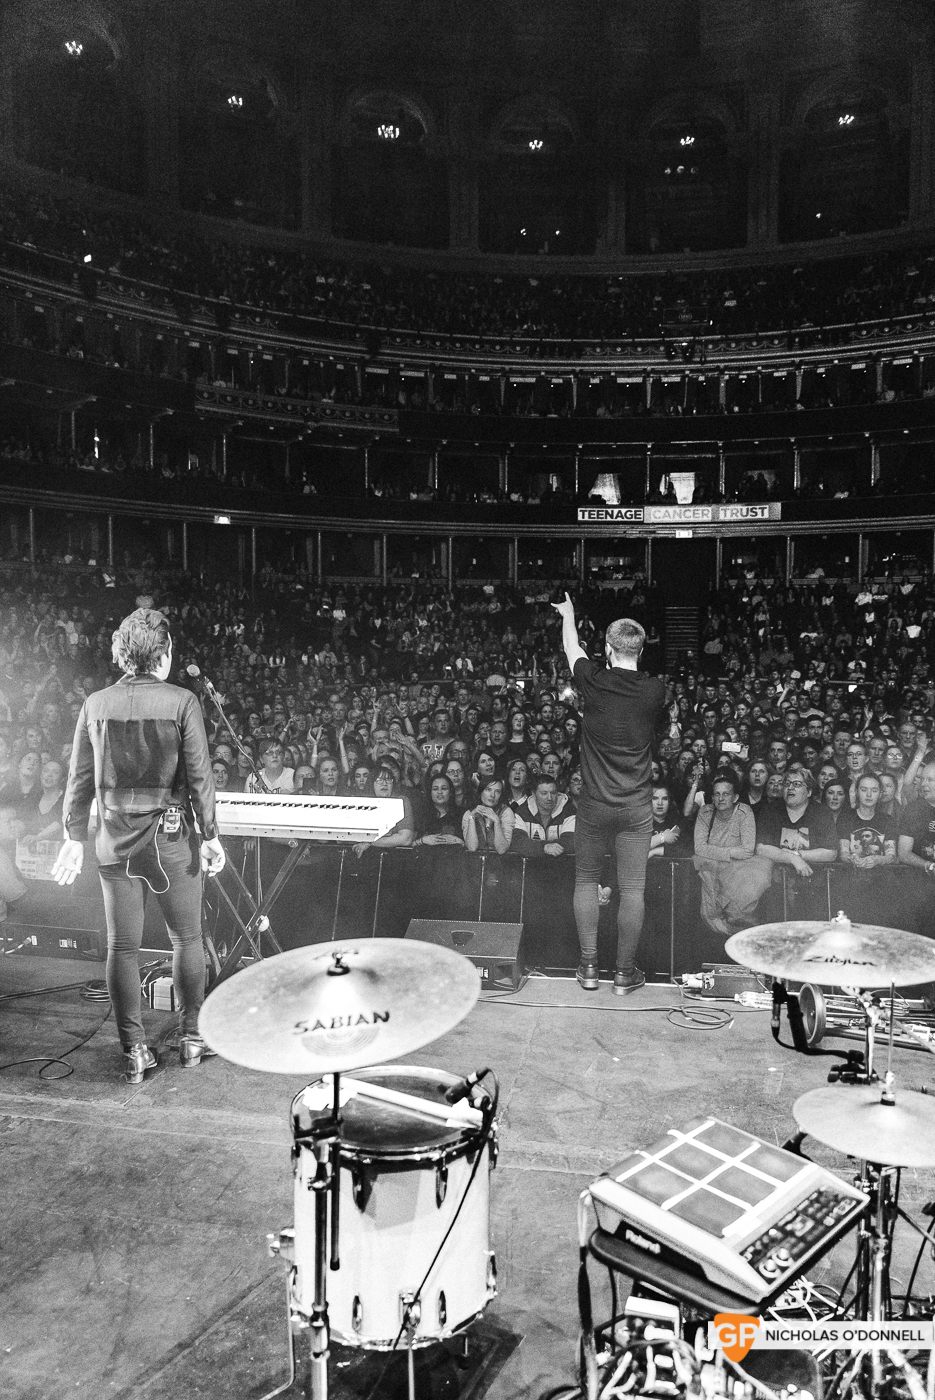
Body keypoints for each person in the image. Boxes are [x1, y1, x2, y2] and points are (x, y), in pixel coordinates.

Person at [52, 609, 226, 1084]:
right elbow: (199, 777)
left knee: (122, 946)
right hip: (170, 840)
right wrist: (209, 835)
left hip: (113, 840)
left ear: (123, 654)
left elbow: (78, 780)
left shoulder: (96, 703)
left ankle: (134, 1052)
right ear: (165, 653)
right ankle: (192, 1038)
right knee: (186, 938)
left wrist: (73, 836)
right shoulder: (182, 701)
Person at [552, 594, 665, 995]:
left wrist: (568, 615)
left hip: (595, 806)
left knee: (586, 880)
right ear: (640, 648)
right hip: (635, 808)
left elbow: (571, 649)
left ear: (607, 648)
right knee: (632, 889)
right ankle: (623, 973)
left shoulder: (594, 681)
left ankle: (587, 969)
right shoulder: (655, 690)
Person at [693, 771, 772, 935]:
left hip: (739, 873)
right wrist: (731, 852)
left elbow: (748, 850)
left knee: (740, 917)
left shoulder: (745, 812)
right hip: (711, 872)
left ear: (735, 797)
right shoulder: (705, 813)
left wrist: (714, 852)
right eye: (716, 794)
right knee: (710, 919)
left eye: (726, 794)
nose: (720, 799)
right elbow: (699, 848)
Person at [755, 767, 837, 918]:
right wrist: (793, 859)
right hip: (774, 883)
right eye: (787, 784)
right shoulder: (770, 810)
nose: (790, 788)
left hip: (812, 883)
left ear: (809, 792)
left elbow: (830, 852)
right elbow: (761, 848)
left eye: (797, 784)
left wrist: (798, 855)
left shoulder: (821, 813)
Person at [462, 776, 511, 853]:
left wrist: (496, 821)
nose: (492, 795)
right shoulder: (469, 813)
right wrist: (471, 818)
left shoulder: (506, 812)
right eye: (488, 790)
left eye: (497, 791)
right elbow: (472, 848)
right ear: (481, 791)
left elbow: (502, 850)